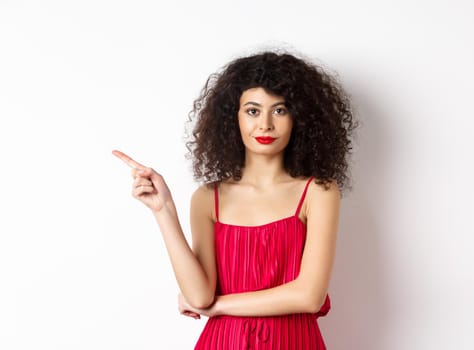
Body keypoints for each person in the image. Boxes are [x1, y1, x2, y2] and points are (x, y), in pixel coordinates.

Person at [112, 50, 357, 349]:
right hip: (223, 342)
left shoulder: (318, 192)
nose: (265, 124)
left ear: (299, 118)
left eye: (279, 110)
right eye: (253, 111)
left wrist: (218, 307)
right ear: (233, 117)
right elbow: (200, 295)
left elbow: (308, 296)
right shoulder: (207, 198)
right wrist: (163, 210)